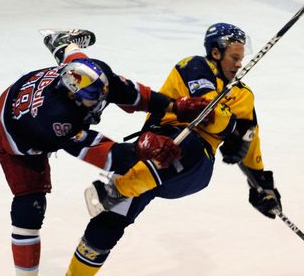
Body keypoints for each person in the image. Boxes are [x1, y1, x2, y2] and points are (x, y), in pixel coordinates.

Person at [64, 23, 283, 275]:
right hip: (151, 155)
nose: (238, 64)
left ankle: (118, 189)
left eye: (241, 59)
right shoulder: (195, 66)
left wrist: (261, 185)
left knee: (186, 142)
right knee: (107, 224)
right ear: (215, 53)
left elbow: (251, 138)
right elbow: (208, 112)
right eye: (234, 57)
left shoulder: (243, 95)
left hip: (192, 166)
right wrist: (234, 127)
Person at [0, 29, 211, 276]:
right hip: (15, 131)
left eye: (102, 96)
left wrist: (175, 106)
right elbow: (99, 152)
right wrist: (140, 149)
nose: (99, 104)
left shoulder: (97, 75)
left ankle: (62, 43)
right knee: (29, 207)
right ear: (71, 96)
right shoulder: (57, 119)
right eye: (92, 101)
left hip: (41, 85)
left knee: (78, 62)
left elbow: (136, 95)